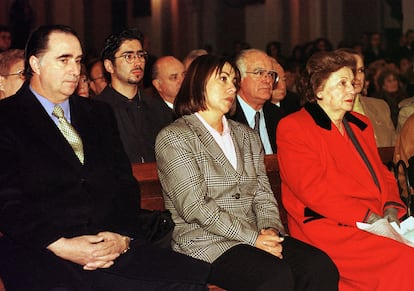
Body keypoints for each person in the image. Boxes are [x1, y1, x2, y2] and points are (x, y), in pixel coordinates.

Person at [0, 24, 210, 291]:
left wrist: (122, 238)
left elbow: (124, 184)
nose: (75, 70)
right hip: (43, 251)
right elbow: (7, 203)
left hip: (108, 244)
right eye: (63, 60)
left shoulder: (97, 114)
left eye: (77, 60)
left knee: (191, 280)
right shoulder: (7, 118)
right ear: (35, 63)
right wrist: (62, 245)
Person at [155, 54, 339, 291]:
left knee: (319, 266)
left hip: (254, 235)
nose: (231, 86)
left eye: (233, 80)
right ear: (199, 82)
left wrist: (270, 229)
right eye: (223, 79)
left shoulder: (246, 135)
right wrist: (254, 238)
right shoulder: (175, 137)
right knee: (273, 277)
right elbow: (196, 207)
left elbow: (263, 193)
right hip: (206, 242)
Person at [277, 49, 414, 291]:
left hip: (375, 221)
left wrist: (392, 206)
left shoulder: (360, 124)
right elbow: (312, 190)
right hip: (328, 226)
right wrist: (367, 217)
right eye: (342, 83)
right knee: (406, 261)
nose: (352, 90)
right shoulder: (294, 127)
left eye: (352, 83)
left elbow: (382, 174)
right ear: (318, 90)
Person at [95, 28, 158, 163]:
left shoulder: (157, 108)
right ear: (109, 66)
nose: (137, 62)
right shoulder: (95, 111)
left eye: (140, 55)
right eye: (128, 56)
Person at [338, 48, 396, 147]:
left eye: (361, 70)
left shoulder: (380, 106)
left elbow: (395, 149)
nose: (357, 76)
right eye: (351, 70)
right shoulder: (331, 112)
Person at [228, 48, 278, 154]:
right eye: (259, 73)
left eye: (270, 74)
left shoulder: (278, 116)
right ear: (239, 78)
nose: (268, 80)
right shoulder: (227, 118)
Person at [146, 55, 185, 133]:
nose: (182, 81)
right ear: (158, 85)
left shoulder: (194, 107)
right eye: (174, 77)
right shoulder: (151, 116)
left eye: (184, 75)